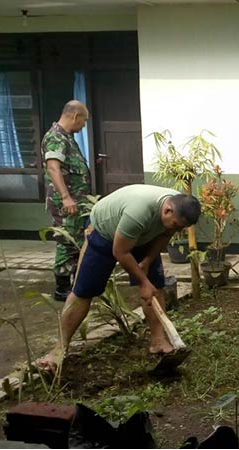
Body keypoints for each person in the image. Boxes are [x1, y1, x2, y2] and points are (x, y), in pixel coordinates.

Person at [36, 184, 201, 372]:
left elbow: (165, 236)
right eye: (176, 225)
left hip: (141, 238)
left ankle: (158, 341)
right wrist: (143, 281)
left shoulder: (176, 210)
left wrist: (147, 262)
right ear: (167, 210)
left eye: (181, 227)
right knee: (83, 291)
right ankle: (59, 350)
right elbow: (120, 252)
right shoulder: (138, 212)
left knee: (156, 287)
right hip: (105, 234)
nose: (176, 229)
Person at [42, 100, 92, 301]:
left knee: (76, 240)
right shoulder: (55, 137)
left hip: (76, 202)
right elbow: (53, 167)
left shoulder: (67, 137)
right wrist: (65, 197)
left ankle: (73, 285)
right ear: (74, 116)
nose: (84, 125)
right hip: (66, 203)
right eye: (84, 120)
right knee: (66, 242)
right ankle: (62, 288)